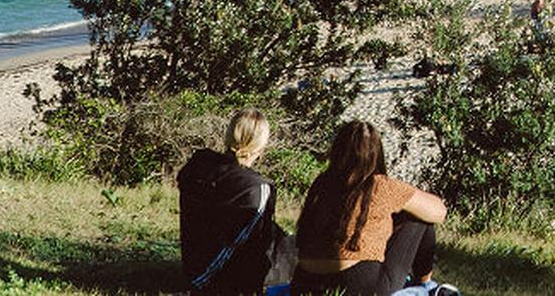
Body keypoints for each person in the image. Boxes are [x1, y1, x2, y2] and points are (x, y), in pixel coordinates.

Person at [293, 121, 447, 296]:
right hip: (357, 285)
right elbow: (439, 212)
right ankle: (425, 284)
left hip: (303, 283)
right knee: (419, 217)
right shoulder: (379, 185)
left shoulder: (322, 183)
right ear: (376, 153)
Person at [178, 109, 295, 296]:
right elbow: (251, 241)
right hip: (225, 281)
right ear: (260, 146)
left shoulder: (198, 167)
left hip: (192, 263)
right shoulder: (258, 188)